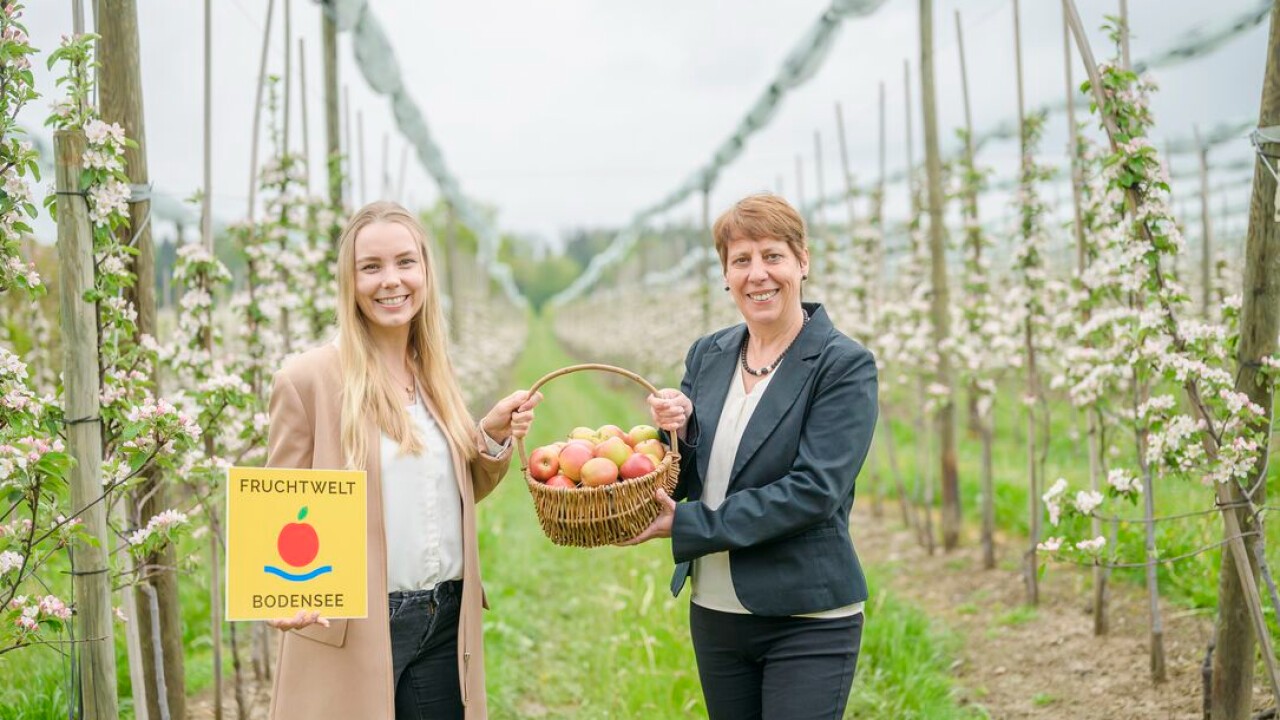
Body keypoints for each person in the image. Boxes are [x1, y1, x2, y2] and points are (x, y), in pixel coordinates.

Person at [263, 201, 540, 720]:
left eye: (405, 262)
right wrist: (284, 593)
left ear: (426, 272)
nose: (391, 280)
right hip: (357, 627)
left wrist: (489, 435)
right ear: (350, 281)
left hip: (443, 620)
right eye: (371, 267)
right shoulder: (308, 380)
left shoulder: (433, 371)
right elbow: (283, 507)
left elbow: (440, 492)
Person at [621, 193, 878, 719]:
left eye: (772, 256)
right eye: (741, 260)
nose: (757, 274)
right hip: (715, 610)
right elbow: (685, 473)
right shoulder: (709, 354)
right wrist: (678, 432)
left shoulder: (843, 365)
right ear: (725, 274)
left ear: (802, 262)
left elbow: (814, 491)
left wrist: (687, 524)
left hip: (807, 614)